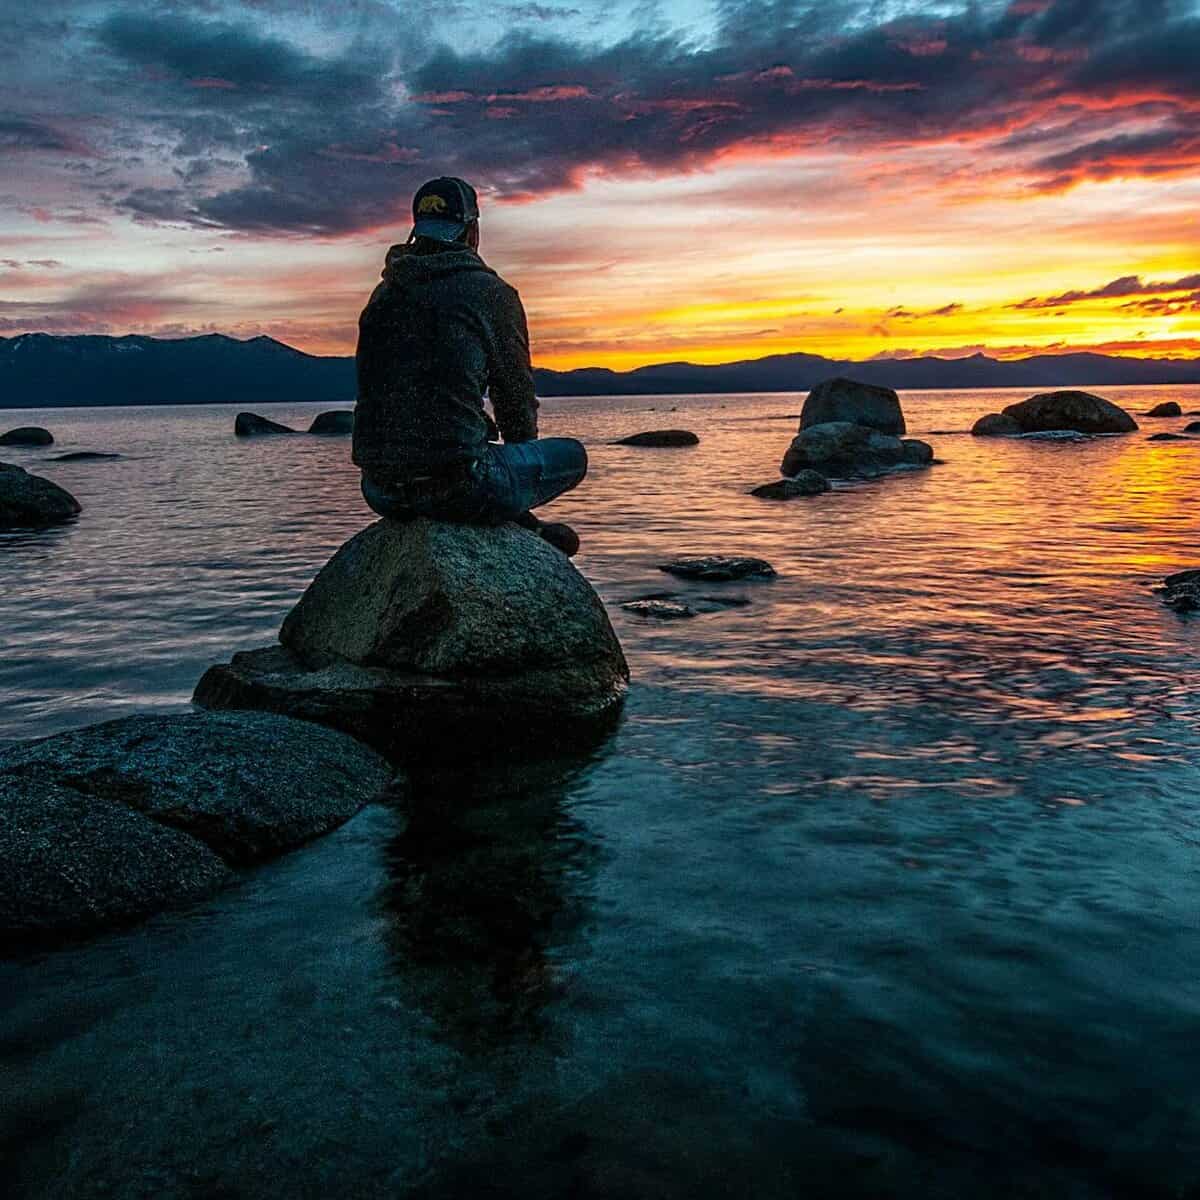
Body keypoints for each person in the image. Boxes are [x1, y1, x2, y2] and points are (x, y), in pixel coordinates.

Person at [353, 176, 586, 556]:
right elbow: (514, 399)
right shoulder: (491, 294)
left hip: (379, 490)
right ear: (472, 229)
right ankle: (517, 520)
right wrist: (515, 478)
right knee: (573, 455)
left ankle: (512, 516)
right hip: (460, 485)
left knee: (472, 445)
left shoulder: (382, 296)